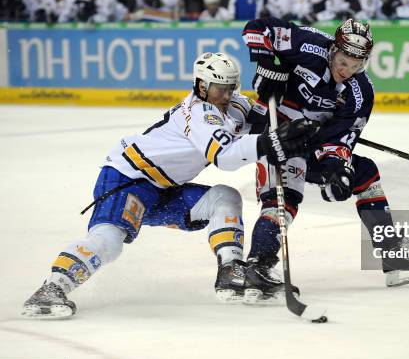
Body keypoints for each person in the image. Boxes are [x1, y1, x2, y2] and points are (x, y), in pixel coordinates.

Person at [22, 52, 317, 319]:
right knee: (109, 242)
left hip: (164, 188)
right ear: (201, 86)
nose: (225, 95)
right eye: (219, 88)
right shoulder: (199, 113)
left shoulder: (234, 104)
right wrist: (271, 141)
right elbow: (225, 156)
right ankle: (52, 288)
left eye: (230, 87)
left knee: (223, 198)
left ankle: (231, 270)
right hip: (129, 180)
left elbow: (264, 122)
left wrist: (275, 102)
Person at [240, 18, 409, 302]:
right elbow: (258, 28)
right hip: (272, 131)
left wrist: (337, 171)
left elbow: (339, 139)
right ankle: (257, 266)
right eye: (343, 61)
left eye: (356, 65)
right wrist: (264, 60)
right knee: (284, 199)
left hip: (309, 142)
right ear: (333, 49)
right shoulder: (308, 44)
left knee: (364, 173)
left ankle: (392, 254)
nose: (347, 70)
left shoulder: (360, 94)